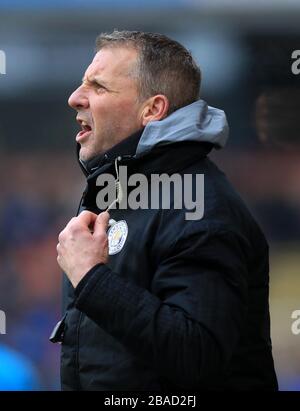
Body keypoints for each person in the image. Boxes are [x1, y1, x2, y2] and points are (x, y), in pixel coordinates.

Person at [51, 30, 278, 391]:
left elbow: (197, 354)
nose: (74, 98)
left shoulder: (199, 208)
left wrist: (93, 279)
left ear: (153, 110)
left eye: (98, 87)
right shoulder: (126, 194)